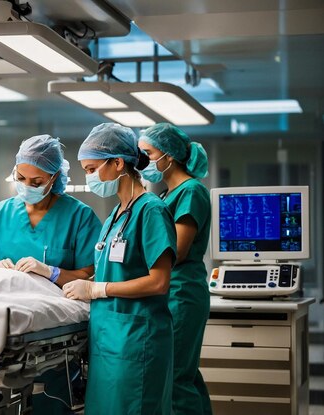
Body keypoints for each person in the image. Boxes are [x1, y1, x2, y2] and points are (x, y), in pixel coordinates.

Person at [0, 134, 101, 413]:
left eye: (37, 182)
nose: (27, 186)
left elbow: (89, 278)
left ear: (54, 178)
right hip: (3, 317)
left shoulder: (79, 216)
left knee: (50, 404)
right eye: (21, 178)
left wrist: (51, 272)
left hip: (52, 330)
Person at [63, 123, 176, 415]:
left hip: (138, 340)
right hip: (108, 339)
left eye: (91, 169)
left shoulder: (150, 210)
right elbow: (111, 270)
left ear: (117, 163)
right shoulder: (116, 214)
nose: (88, 178)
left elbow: (159, 282)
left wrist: (97, 289)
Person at [138, 122, 213, 415]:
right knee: (185, 373)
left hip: (182, 292)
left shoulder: (191, 191)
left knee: (177, 376)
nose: (142, 161)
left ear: (168, 156)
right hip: (173, 291)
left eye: (148, 153)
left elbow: (177, 252)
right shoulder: (165, 195)